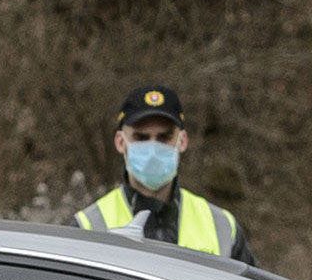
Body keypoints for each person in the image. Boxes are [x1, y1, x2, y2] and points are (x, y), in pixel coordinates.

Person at [72, 83, 253, 263]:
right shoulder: (88, 227)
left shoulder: (222, 228)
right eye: (141, 137)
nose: (153, 149)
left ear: (182, 141)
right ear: (120, 142)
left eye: (164, 137)